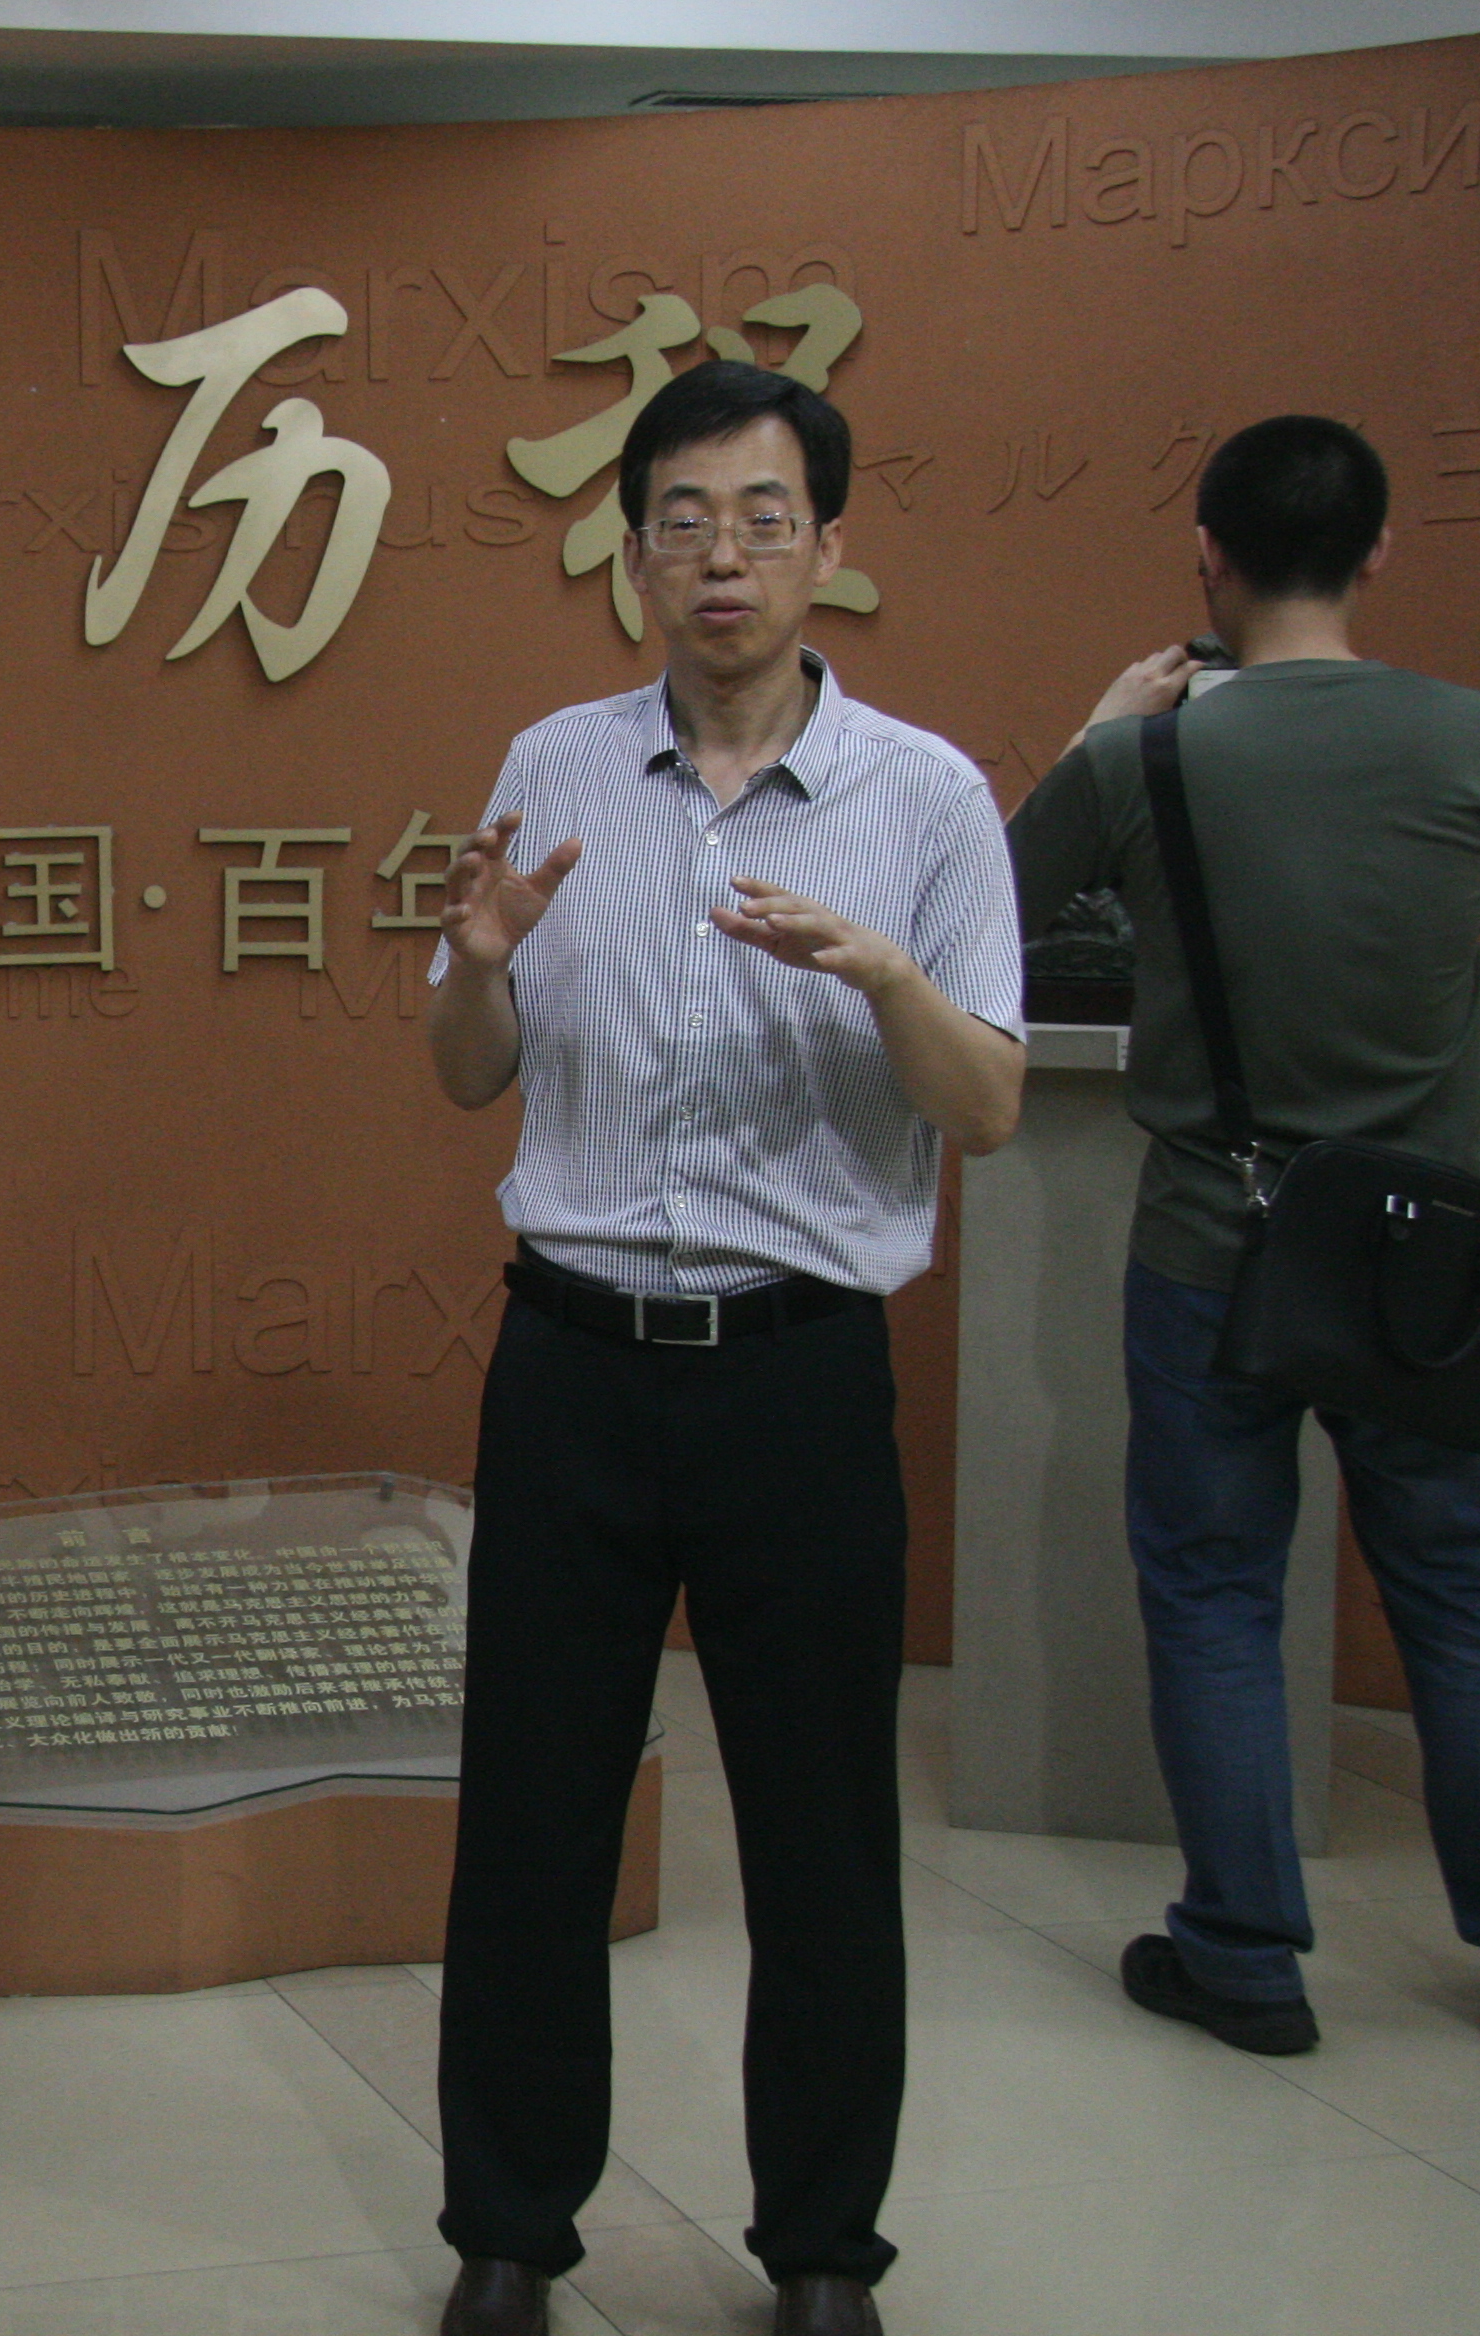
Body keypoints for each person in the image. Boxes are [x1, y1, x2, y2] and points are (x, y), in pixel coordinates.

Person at [420, 362, 1025, 2336]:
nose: (723, 559)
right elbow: (465, 1069)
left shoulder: (925, 797)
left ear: (828, 545)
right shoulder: (558, 761)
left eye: (764, 519)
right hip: (573, 1364)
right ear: (634, 551)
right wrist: (480, 970)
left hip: (798, 1373)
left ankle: (826, 2253)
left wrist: (886, 976)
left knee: (823, 1832)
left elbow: (991, 1105)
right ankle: (507, 2234)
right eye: (681, 520)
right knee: (532, 1818)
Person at [1008, 414, 1480, 2055]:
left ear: (1206, 559)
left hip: (1211, 1237)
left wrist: (1099, 732)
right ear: (1376, 551)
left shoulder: (1147, 758)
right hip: (1424, 1250)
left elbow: (993, 905)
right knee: (1468, 1586)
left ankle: (1242, 1956)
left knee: (1217, 1590)